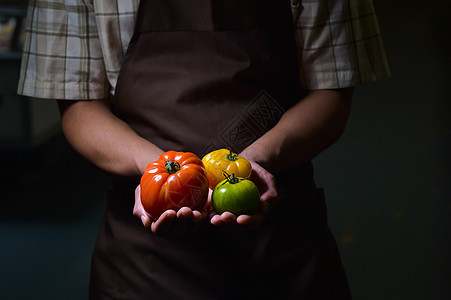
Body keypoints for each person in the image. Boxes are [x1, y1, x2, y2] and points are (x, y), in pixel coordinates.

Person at [18, 0, 390, 298]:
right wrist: (159, 175)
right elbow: (79, 107)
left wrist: (251, 164)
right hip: (145, 254)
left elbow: (331, 92)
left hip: (280, 240)